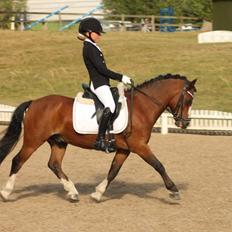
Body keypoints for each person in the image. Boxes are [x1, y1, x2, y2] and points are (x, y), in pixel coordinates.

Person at [78, 17, 132, 153]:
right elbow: (102, 70)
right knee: (111, 106)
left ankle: (112, 136)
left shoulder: (92, 46)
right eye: (97, 32)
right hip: (98, 84)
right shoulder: (89, 48)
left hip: (103, 83)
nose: (100, 35)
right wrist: (121, 77)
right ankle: (100, 139)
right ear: (88, 33)